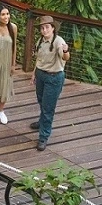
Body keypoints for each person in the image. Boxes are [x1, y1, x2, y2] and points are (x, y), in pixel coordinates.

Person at [29, 15, 70, 150]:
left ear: (53, 28)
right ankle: (42, 123)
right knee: (41, 100)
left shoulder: (58, 42)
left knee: (48, 107)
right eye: (42, 28)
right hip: (41, 75)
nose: (44, 30)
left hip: (54, 77)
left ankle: (44, 136)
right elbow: (38, 59)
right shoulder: (40, 41)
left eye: (47, 27)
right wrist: (34, 73)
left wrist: (66, 50)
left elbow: (65, 57)